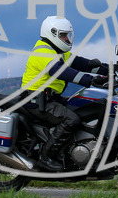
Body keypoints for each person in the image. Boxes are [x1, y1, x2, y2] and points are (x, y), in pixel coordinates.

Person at [21, 15, 109, 171]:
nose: (67, 38)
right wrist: (90, 81)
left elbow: (82, 64)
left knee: (83, 110)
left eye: (67, 35)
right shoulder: (43, 52)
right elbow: (61, 71)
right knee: (71, 120)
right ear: (52, 34)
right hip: (36, 102)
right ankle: (45, 157)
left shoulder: (58, 52)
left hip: (50, 99)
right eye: (63, 35)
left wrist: (109, 69)